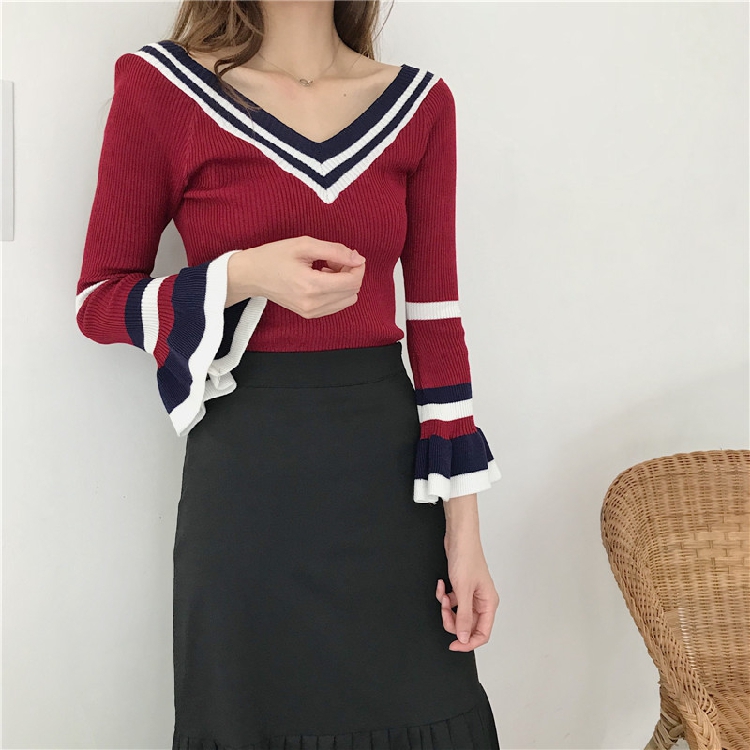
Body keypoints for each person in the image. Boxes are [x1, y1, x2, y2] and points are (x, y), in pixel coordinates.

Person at [75, 1, 503, 747]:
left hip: (387, 480)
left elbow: (437, 322)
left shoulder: (420, 104)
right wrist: (243, 275)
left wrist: (465, 534)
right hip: (248, 483)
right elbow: (98, 303)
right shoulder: (161, 88)